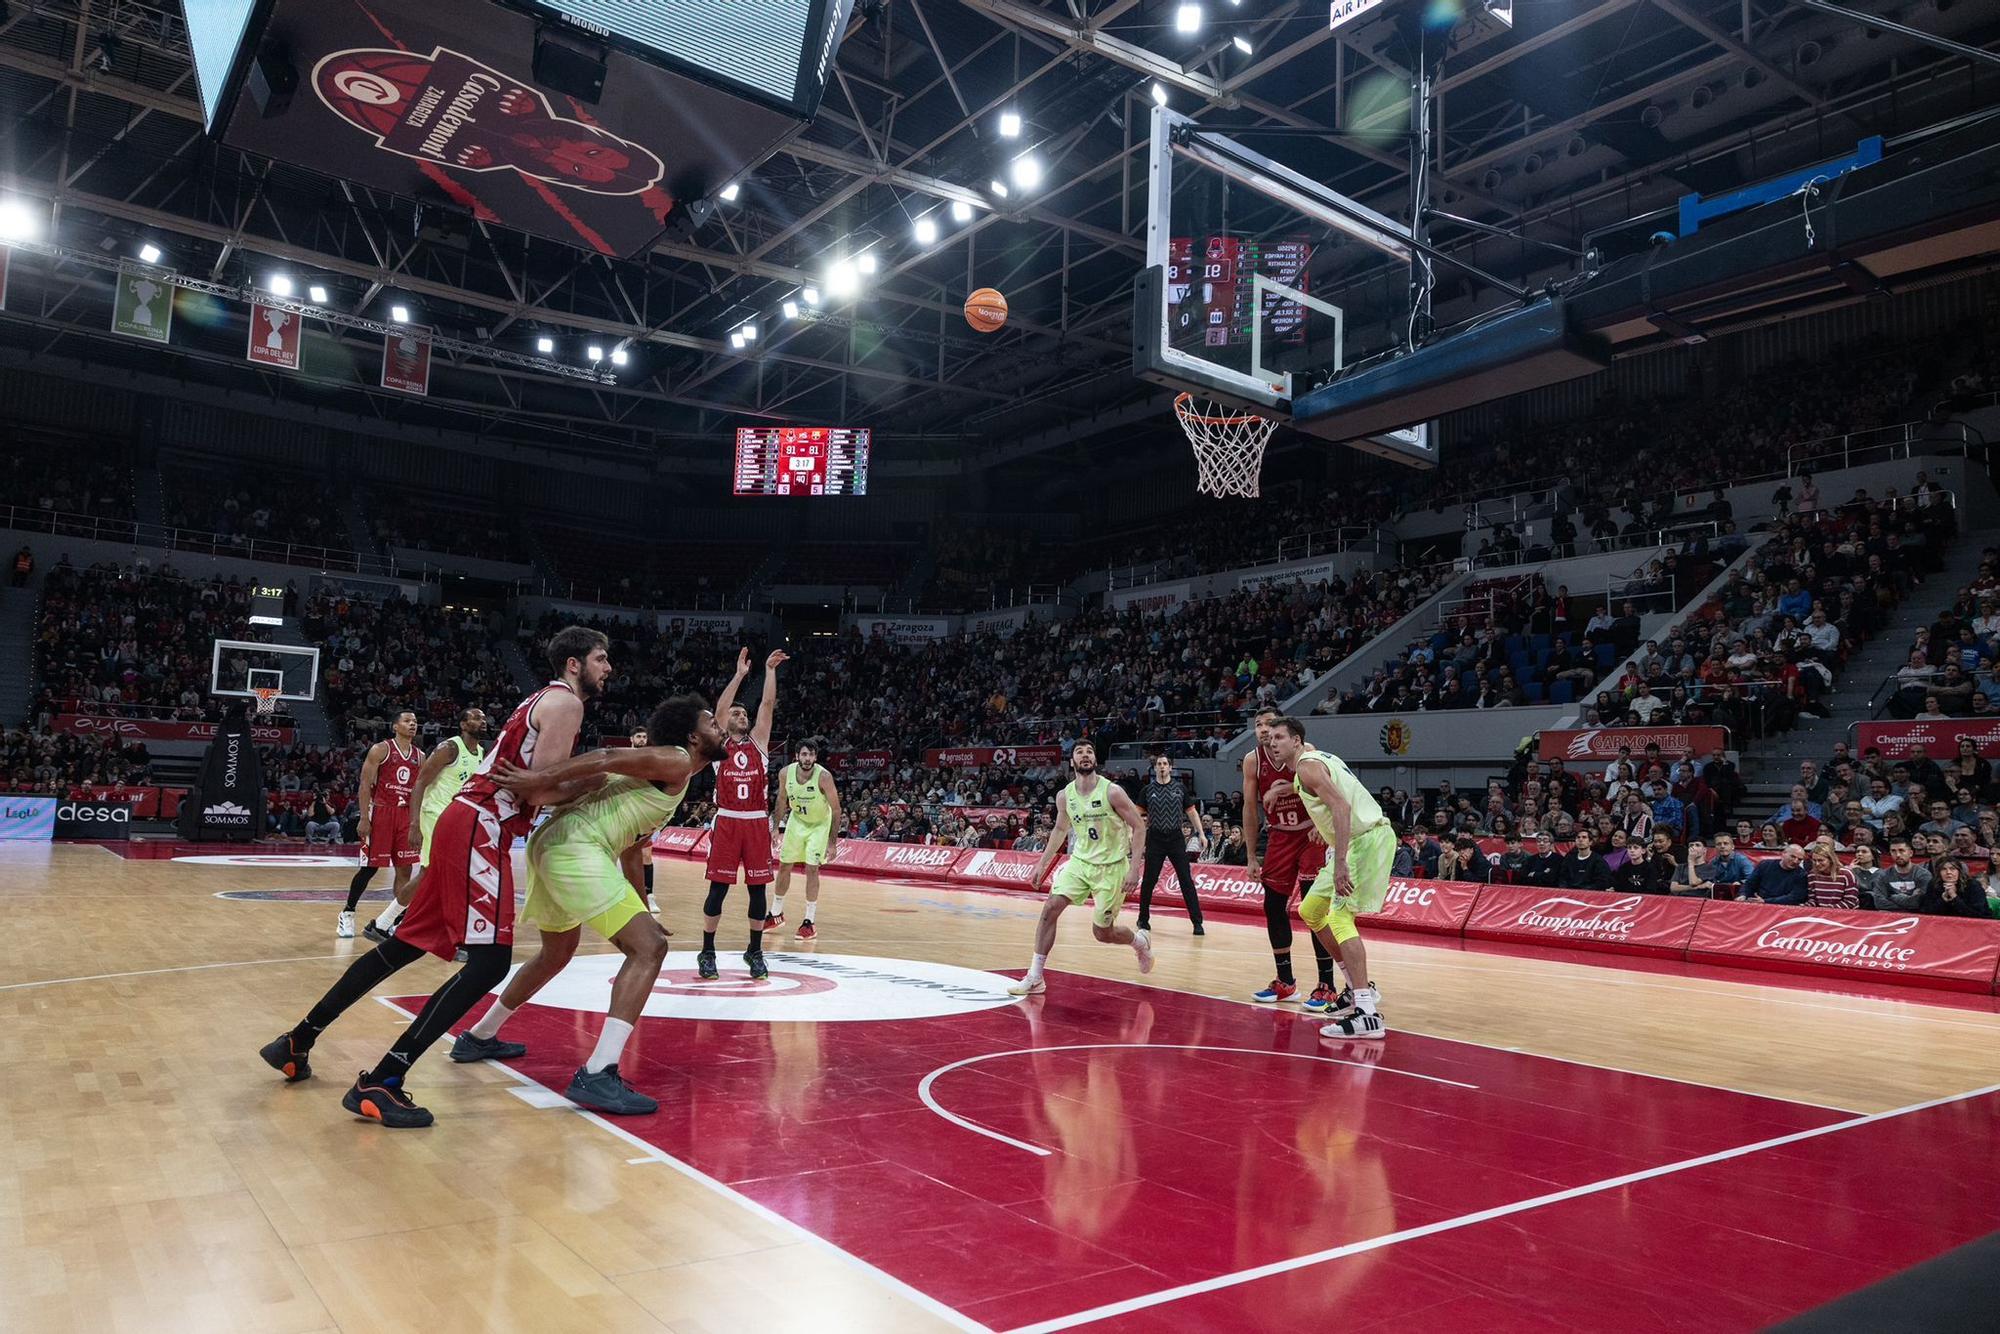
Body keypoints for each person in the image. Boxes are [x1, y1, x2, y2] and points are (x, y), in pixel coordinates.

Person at [258, 626, 609, 1128]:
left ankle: (297, 1040)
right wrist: (598, 783)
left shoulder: (539, 700)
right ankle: (383, 1080)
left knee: (402, 945)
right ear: (574, 664)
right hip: (482, 827)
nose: (608, 667)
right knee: (489, 964)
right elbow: (540, 791)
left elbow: (536, 781)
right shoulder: (567, 705)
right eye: (600, 658)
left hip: (463, 822)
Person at [449, 694, 725, 1114]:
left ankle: (479, 1036)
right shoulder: (677, 760)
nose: (720, 727)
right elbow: (605, 755)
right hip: (575, 846)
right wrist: (537, 779)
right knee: (648, 949)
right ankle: (599, 1073)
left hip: (553, 845)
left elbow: (633, 850)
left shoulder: (669, 774)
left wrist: (643, 905)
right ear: (692, 736)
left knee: (556, 953)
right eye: (712, 722)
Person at [1260, 718, 1395, 1040]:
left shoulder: (1307, 767)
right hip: (1352, 841)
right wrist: (1283, 789)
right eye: (1269, 738)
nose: (1271, 742)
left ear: (1296, 741)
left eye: (1279, 737)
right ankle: (1354, 988)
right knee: (1311, 910)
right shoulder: (1312, 761)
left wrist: (1340, 864)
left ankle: (1367, 1013)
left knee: (1340, 918)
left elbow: (1341, 807)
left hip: (1366, 841)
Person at [1007, 740, 1152, 997]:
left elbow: (1139, 827)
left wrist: (1135, 868)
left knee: (1102, 933)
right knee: (1050, 908)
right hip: (1080, 863)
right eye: (1079, 752)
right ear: (1071, 761)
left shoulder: (1112, 792)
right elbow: (1061, 829)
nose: (1085, 755)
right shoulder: (1065, 795)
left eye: (1090, 752)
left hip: (1111, 867)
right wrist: (1042, 865)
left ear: (1095, 760)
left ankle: (1139, 942)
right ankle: (1035, 976)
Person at [700, 648, 788, 980]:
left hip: (754, 824)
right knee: (718, 890)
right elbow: (720, 708)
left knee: (757, 891)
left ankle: (755, 951)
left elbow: (766, 705)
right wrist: (738, 675)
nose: (741, 716)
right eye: (737, 714)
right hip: (726, 822)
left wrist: (769, 671)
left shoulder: (760, 743)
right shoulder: (719, 747)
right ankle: (707, 950)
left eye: (742, 714)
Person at [366, 705, 489, 942]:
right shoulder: (449, 748)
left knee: (444, 875)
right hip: (434, 815)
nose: (482, 721)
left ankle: (388, 924)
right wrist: (414, 824)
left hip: (456, 821)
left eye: (483, 718)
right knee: (431, 871)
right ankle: (387, 924)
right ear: (463, 725)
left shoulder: (481, 753)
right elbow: (420, 783)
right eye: (475, 717)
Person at [1242, 708, 1338, 1012]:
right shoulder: (1252, 760)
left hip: (1311, 834)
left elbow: (1329, 790)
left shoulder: (1305, 752)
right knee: (1272, 905)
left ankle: (1327, 985)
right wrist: (1251, 855)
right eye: (1258, 725)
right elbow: (1249, 809)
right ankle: (1286, 981)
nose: (1264, 730)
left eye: (1270, 724)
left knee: (1314, 910)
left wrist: (1324, 827)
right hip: (1280, 835)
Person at [337, 709, 425, 939]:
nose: (412, 724)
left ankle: (395, 920)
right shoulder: (381, 749)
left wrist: (416, 822)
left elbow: (420, 791)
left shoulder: (421, 756)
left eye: (415, 722)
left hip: (405, 814)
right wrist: (365, 818)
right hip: (380, 812)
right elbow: (365, 785)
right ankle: (347, 913)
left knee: (405, 869)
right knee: (370, 868)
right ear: (395, 726)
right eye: (407, 721)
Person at [772, 738, 842, 940]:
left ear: (815, 757)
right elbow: (781, 800)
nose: (807, 758)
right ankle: (775, 913)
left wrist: (832, 842)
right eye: (804, 754)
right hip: (796, 820)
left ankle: (809, 921)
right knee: (784, 865)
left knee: (812, 868)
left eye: (811, 755)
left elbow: (836, 809)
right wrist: (775, 827)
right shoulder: (785, 773)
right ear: (797, 756)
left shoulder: (824, 777)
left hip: (819, 824)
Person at [1134, 754, 1207, 936]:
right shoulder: (1147, 790)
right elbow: (1137, 817)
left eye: (1165, 764)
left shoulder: (1180, 788)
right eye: (1159, 764)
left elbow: (1192, 813)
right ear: (1155, 768)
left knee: (1186, 881)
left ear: (1171, 767)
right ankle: (1143, 918)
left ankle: (1197, 922)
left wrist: (1201, 833)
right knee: (1149, 881)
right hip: (1155, 838)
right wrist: (1133, 837)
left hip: (1175, 838)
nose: (1162, 767)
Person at [1741, 844, 1809, 905]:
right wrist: (1742, 895)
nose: (1795, 861)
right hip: (1759, 904)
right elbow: (1749, 884)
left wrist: (1765, 901)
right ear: (1783, 854)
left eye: (1799, 859)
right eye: (1792, 856)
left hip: (1784, 909)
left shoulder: (1802, 875)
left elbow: (1794, 897)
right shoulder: (1765, 865)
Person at [1804, 843, 1857, 909]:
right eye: (1814, 860)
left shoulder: (1846, 874)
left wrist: (1828, 910)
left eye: (1821, 860)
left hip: (1844, 915)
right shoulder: (1812, 874)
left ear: (1831, 860)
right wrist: (1804, 907)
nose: (1817, 864)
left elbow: (1850, 902)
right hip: (1822, 913)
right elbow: (1813, 900)